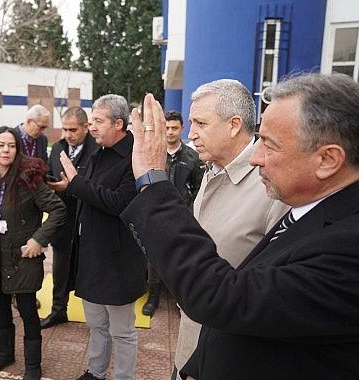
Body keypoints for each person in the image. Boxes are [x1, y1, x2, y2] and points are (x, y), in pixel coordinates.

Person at [122, 73, 359, 379]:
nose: (257, 157)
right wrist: (197, 365)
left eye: (270, 146)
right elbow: (255, 286)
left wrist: (153, 182)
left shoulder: (348, 247)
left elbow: (228, 296)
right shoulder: (312, 206)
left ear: (328, 160)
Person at [166, 80, 288, 379]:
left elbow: (271, 297)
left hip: (230, 358)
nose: (190, 133)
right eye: (191, 122)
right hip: (189, 344)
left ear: (234, 125)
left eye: (201, 123)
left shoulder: (273, 187)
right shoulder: (212, 170)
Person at [0, 126, 66, 380]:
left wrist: (38, 239)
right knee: (1, 309)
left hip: (21, 258)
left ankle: (33, 365)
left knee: (28, 312)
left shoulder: (28, 178)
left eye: (11, 145)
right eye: (1, 145)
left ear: (17, 150)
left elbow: (57, 210)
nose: (6, 150)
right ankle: (5, 354)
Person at [58, 95, 146, 380]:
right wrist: (72, 185)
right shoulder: (100, 152)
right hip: (91, 256)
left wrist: (76, 183)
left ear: (118, 124)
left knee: (122, 331)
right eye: (92, 120)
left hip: (118, 260)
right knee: (96, 324)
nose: (91, 127)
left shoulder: (136, 157)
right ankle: (95, 372)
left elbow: (120, 202)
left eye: (98, 121)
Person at [142, 110, 205, 317]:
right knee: (154, 258)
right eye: (167, 128)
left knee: (181, 258)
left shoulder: (192, 157)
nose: (170, 132)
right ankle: (153, 298)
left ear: (181, 129)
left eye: (174, 128)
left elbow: (198, 187)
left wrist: (190, 210)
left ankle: (181, 300)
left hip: (182, 217)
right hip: (157, 216)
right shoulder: (152, 155)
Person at [41, 106, 99, 329]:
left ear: (86, 127)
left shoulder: (97, 150)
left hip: (88, 223)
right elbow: (50, 173)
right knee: (60, 271)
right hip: (64, 223)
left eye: (72, 129)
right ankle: (58, 311)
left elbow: (97, 187)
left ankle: (96, 321)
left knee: (90, 274)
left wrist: (72, 186)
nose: (68, 134)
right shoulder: (58, 148)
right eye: (64, 129)